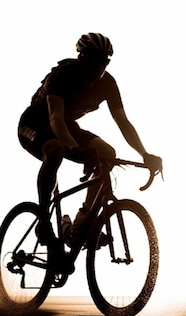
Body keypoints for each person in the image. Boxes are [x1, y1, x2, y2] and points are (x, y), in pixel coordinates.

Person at [18, 32, 163, 273]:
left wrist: (145, 154)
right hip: (35, 124)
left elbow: (123, 123)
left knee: (107, 152)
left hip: (67, 125)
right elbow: (55, 119)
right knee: (54, 150)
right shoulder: (63, 75)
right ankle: (44, 221)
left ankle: (82, 223)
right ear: (82, 58)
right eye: (96, 60)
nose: (100, 67)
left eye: (105, 61)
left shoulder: (108, 83)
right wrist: (75, 148)